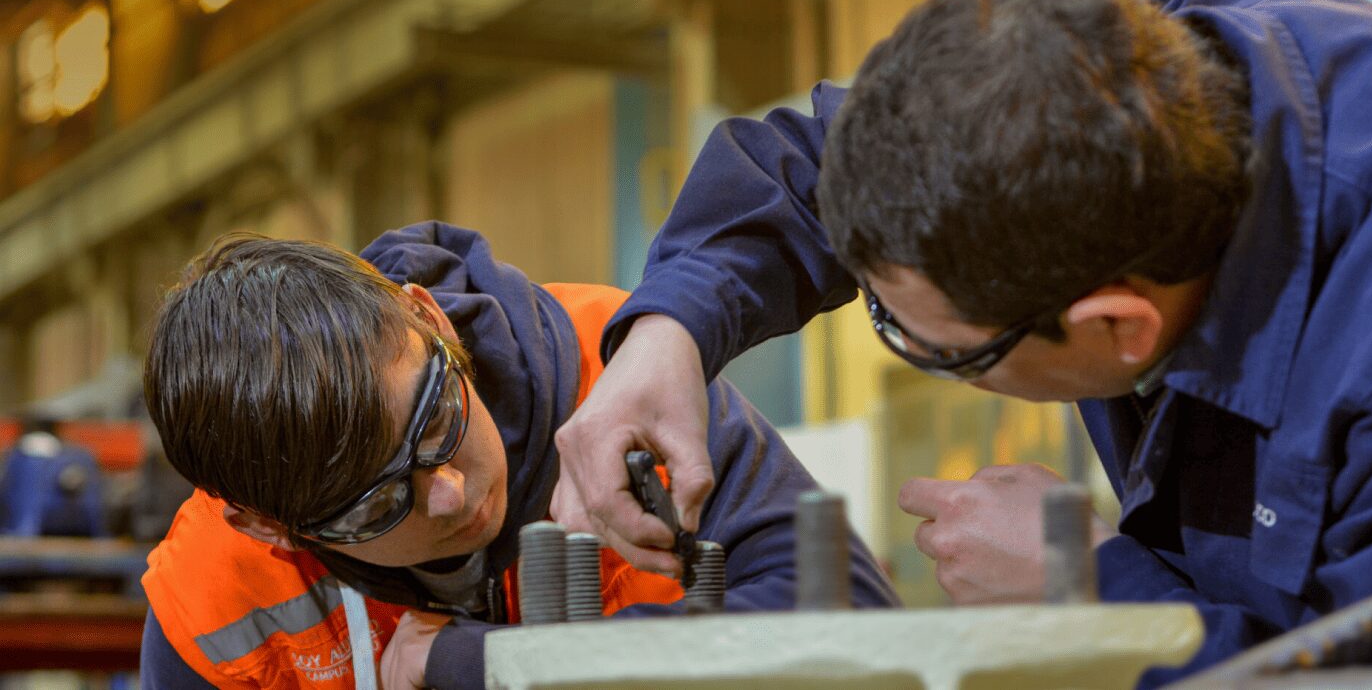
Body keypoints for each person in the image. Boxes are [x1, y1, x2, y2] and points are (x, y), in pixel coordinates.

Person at [551, 0, 1372, 684]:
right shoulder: (1112, 79)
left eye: (941, 350)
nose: (906, 344)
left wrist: (1090, 588)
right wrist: (668, 335)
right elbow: (821, 166)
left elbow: (1361, 674)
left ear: (1120, 326)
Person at [138, 223, 897, 690]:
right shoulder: (216, 595)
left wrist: (476, 663)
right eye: (377, 504)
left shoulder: (618, 379)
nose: (449, 492)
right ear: (271, 527)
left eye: (436, 420)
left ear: (428, 317)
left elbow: (854, 628)